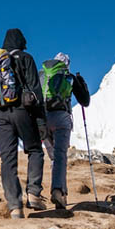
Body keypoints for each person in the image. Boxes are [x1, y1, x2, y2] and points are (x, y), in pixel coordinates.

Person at [0, 28, 46, 218]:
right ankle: (33, 194)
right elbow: (36, 93)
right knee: (35, 150)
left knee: (7, 159)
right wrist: (41, 123)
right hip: (22, 111)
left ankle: (15, 206)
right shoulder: (26, 58)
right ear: (21, 42)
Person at [39, 52, 91, 210]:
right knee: (60, 156)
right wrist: (83, 86)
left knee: (53, 157)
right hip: (61, 118)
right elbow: (85, 101)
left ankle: (60, 193)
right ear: (67, 65)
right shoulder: (69, 77)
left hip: (42, 118)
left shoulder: (41, 75)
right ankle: (58, 191)